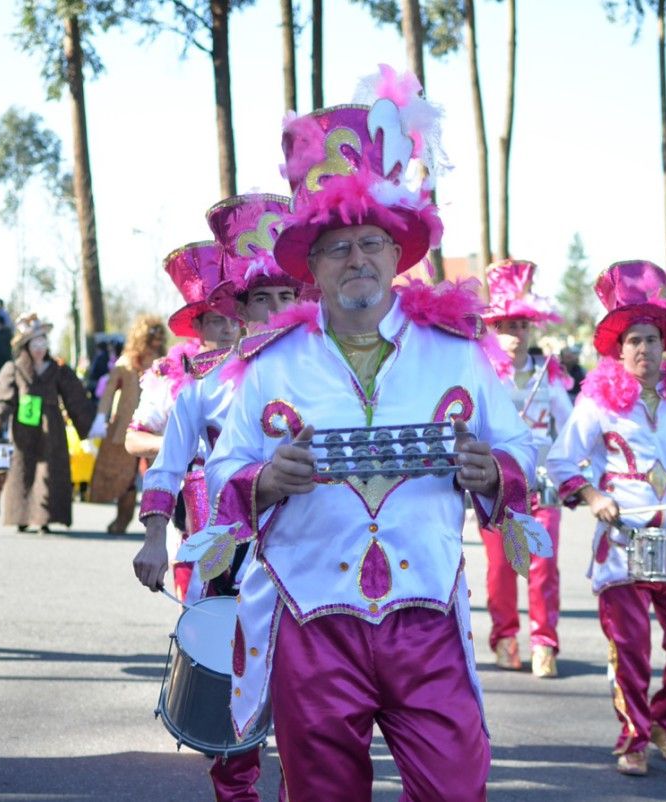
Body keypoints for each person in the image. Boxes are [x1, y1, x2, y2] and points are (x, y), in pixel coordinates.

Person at [202, 69, 536, 800]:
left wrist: (492, 472)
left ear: (398, 253)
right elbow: (221, 473)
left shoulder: (457, 351)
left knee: (455, 786)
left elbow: (521, 454)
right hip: (312, 618)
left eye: (372, 243)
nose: (358, 259)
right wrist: (262, 481)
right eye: (339, 247)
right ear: (313, 267)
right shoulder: (267, 365)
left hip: (426, 617)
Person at [132, 192, 309, 802]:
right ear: (243, 307)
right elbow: (166, 466)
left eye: (289, 296)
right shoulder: (202, 389)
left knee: (310, 709)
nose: (278, 308)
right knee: (233, 692)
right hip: (228, 558)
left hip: (316, 562)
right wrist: (156, 538)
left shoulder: (333, 380)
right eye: (264, 297)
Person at [547, 260, 666, 776]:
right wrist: (593, 495)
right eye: (634, 340)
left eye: (652, 339)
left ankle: (665, 722)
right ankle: (634, 738)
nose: (644, 349)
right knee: (631, 648)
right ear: (619, 349)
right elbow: (559, 461)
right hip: (622, 544)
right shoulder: (598, 402)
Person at [125, 241, 243, 598]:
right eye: (216, 322)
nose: (227, 330)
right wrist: (179, 444)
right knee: (199, 619)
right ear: (197, 326)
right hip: (195, 516)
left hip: (265, 531)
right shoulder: (176, 378)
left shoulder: (270, 372)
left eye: (233, 321)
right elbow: (135, 441)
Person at [480, 259, 573, 677]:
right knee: (501, 566)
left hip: (542, 483)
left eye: (521, 326)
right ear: (493, 330)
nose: (514, 335)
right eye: (506, 326)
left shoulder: (548, 374)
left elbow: (569, 426)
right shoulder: (479, 374)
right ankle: (504, 637)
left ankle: (544, 642)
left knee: (542, 563)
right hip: (496, 483)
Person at [0, 314, 95, 533]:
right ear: (26, 345)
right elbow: (3, 398)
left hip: (51, 426)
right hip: (23, 428)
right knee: (23, 470)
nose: (39, 348)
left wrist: (90, 424)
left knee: (49, 471)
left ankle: (45, 517)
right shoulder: (14, 369)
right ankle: (22, 516)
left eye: (42, 343)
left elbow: (75, 397)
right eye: (34, 343)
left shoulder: (58, 369)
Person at [89, 316, 165, 533]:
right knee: (124, 476)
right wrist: (100, 418)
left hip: (156, 426)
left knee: (158, 476)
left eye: (159, 338)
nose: (156, 343)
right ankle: (122, 519)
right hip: (126, 427)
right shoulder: (125, 364)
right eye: (152, 338)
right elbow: (108, 394)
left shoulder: (164, 362)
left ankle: (156, 523)